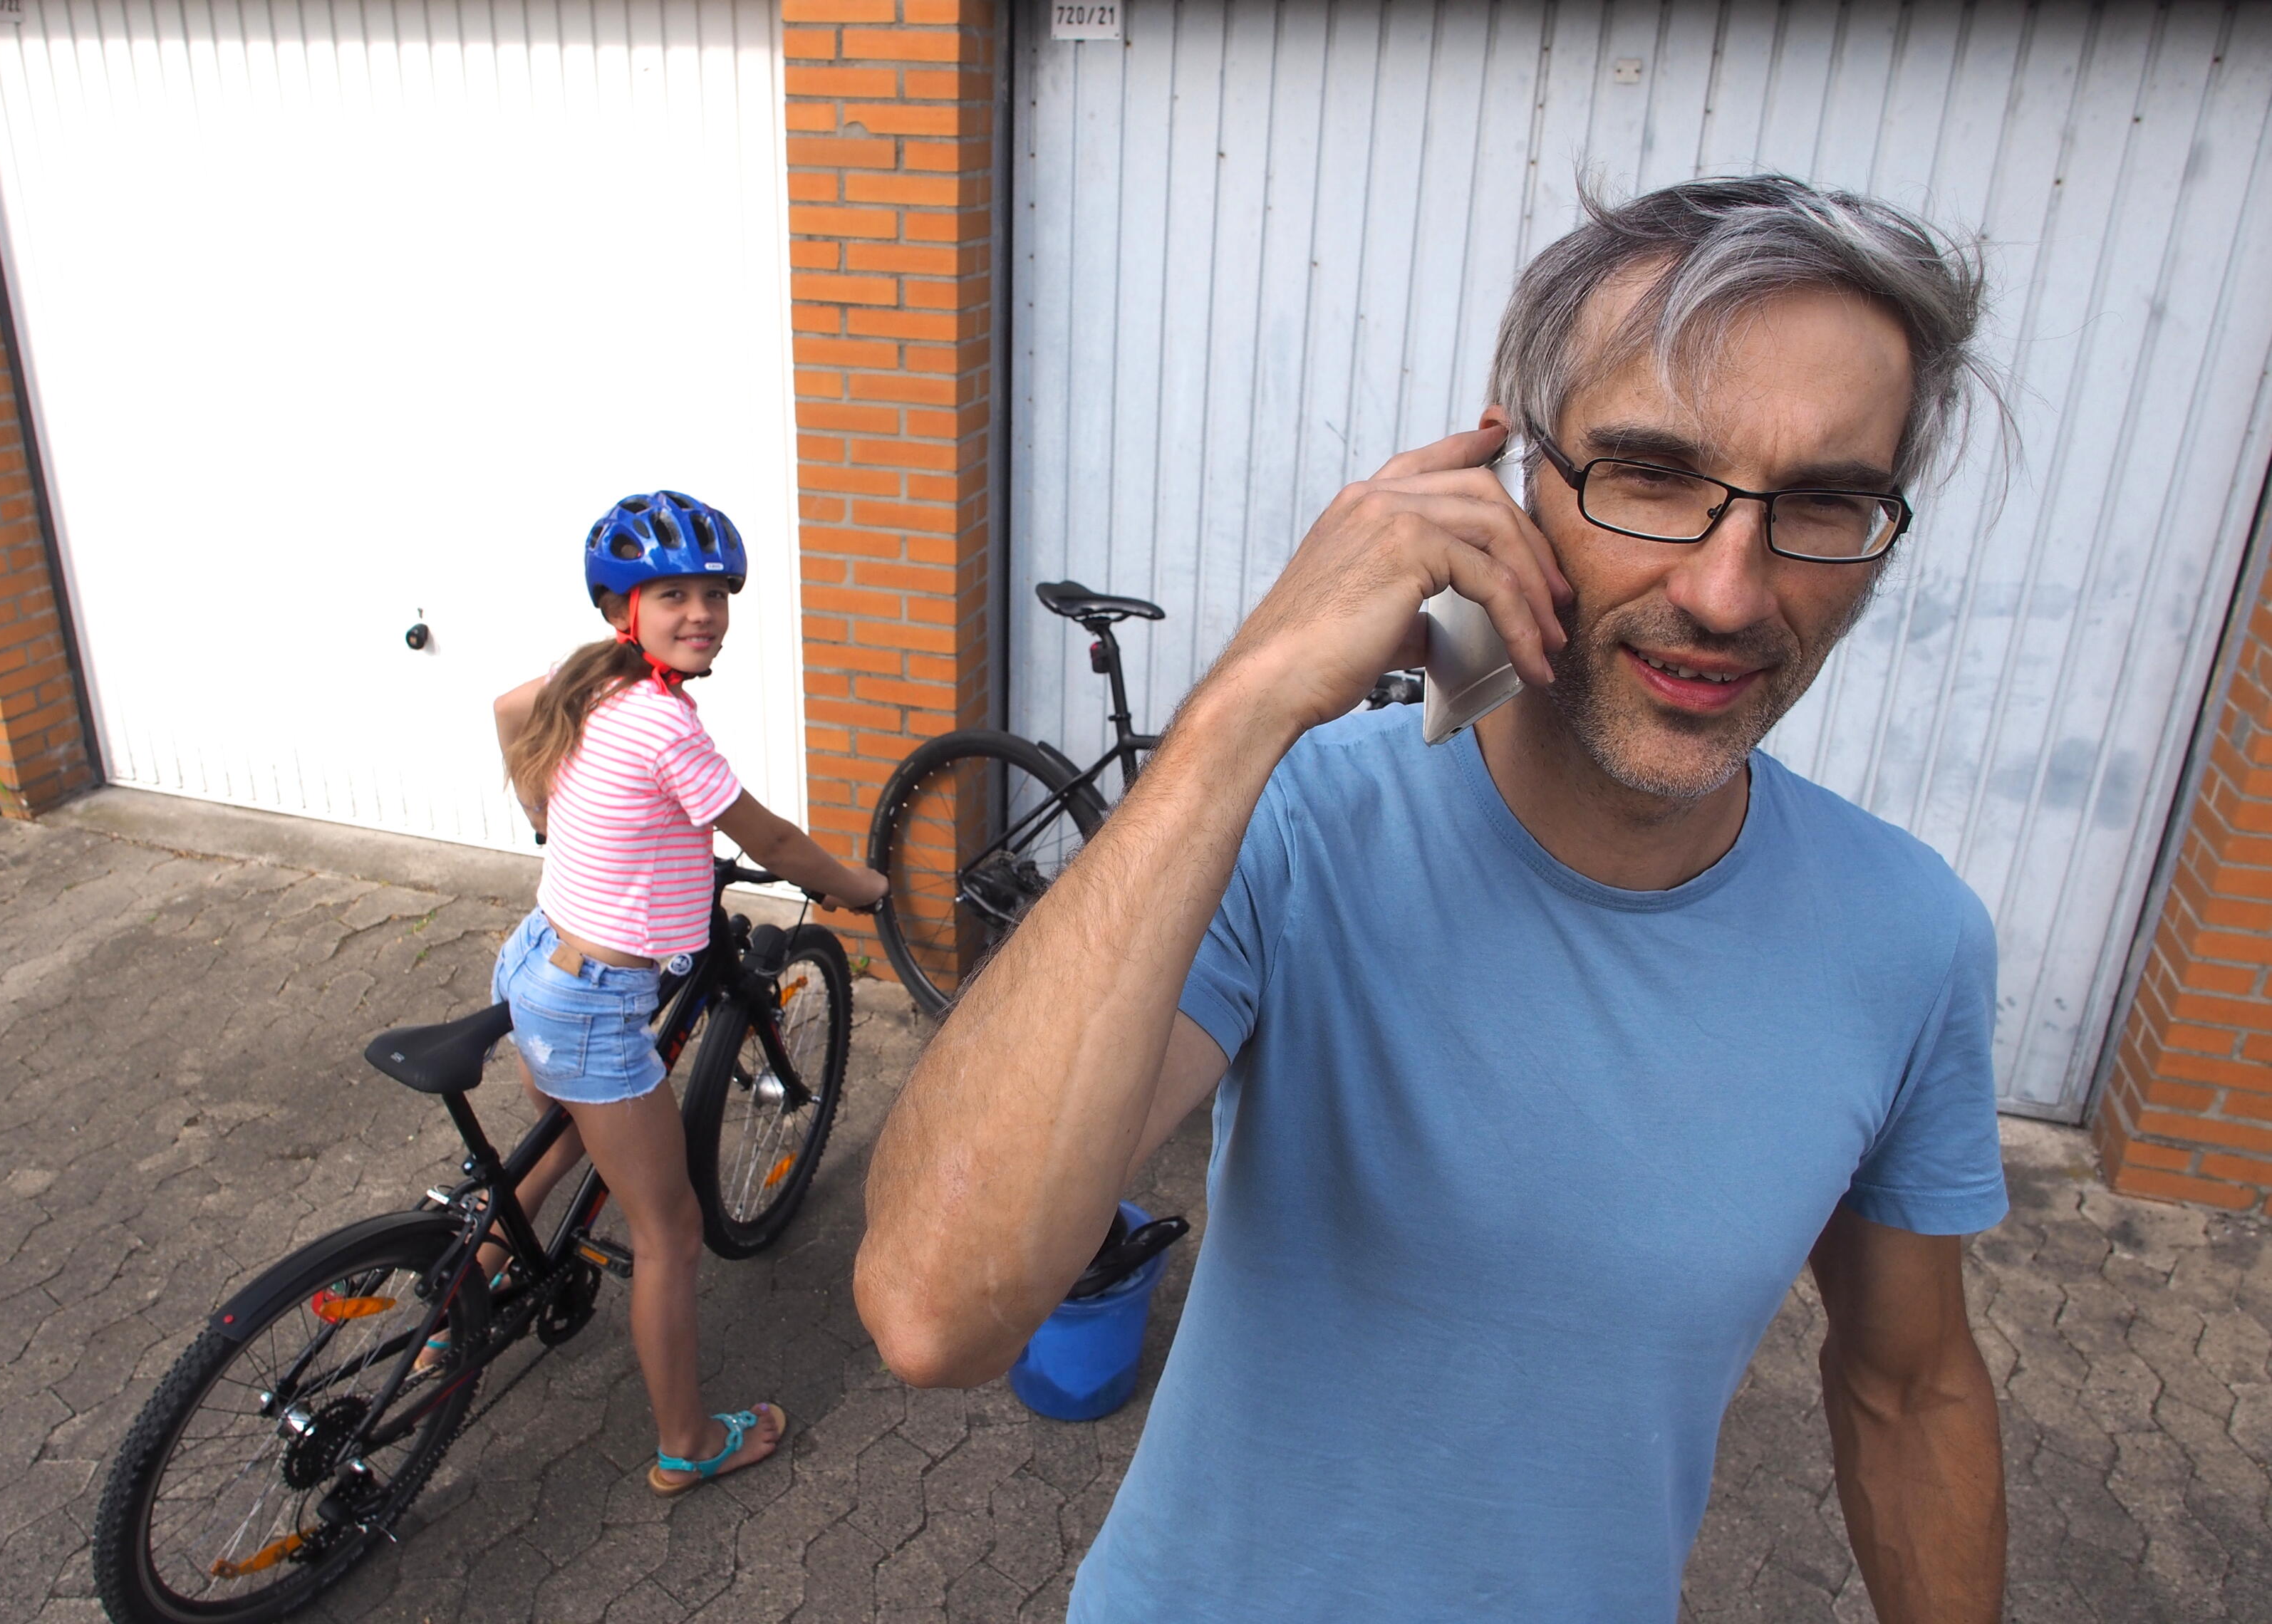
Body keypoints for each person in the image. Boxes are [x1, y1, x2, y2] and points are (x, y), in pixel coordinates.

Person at [854, 177, 2011, 1621]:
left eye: (1824, 503)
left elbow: (1910, 1389)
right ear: (1514, 482)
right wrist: (1246, 707)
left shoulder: (1910, 940)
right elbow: (936, 1308)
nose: (1727, 592)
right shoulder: (1297, 822)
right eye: (1652, 473)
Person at [476, 490, 888, 1497]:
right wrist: (859, 889)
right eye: (673, 595)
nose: (700, 612)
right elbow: (771, 843)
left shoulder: (593, 685)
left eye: (715, 594)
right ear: (628, 609)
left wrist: (543, 815)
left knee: (566, 1142)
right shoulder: (662, 724)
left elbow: (508, 709)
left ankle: (458, 1313)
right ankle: (687, 1444)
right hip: (596, 1006)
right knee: (670, 1235)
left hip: (536, 962)